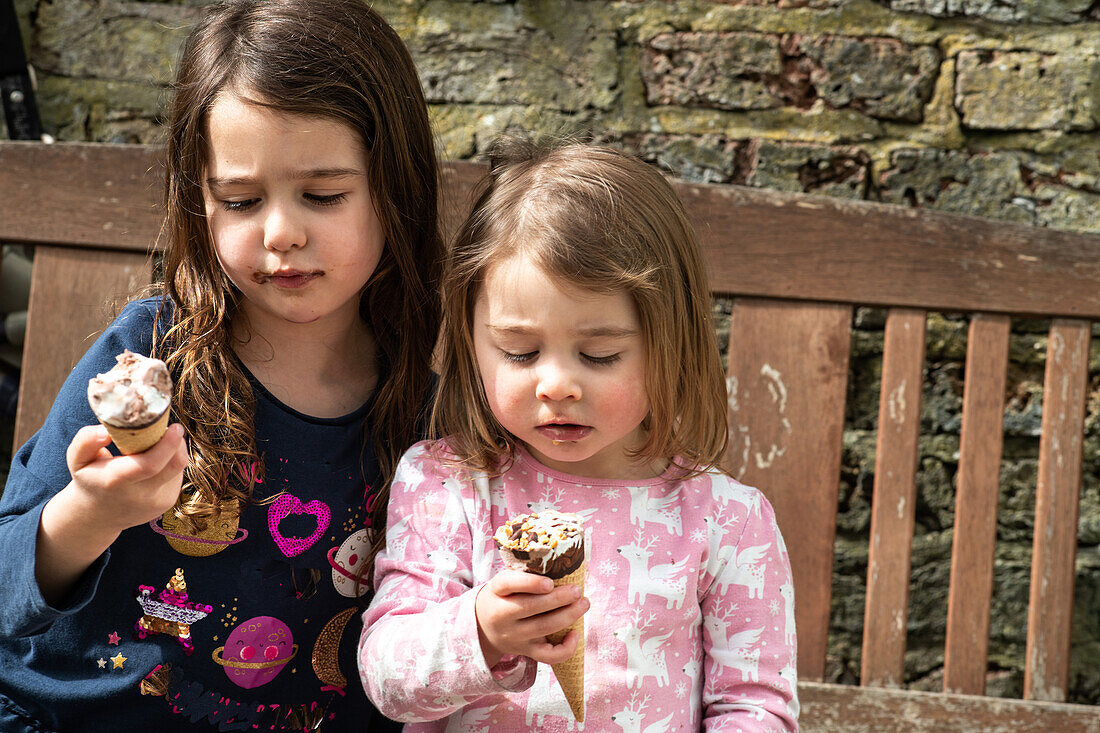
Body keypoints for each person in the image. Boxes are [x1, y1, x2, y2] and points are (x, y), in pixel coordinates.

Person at [0, 0, 441, 730]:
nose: (281, 232)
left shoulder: (419, 414)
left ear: (394, 189)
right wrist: (90, 513)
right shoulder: (148, 360)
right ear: (198, 200)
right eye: (239, 199)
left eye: (323, 195)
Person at [359, 136, 799, 731]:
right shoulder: (450, 486)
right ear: (471, 339)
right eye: (520, 352)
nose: (557, 385)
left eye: (598, 354)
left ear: (671, 343)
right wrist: (481, 634)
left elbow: (755, 707)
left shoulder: (728, 522)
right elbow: (389, 681)